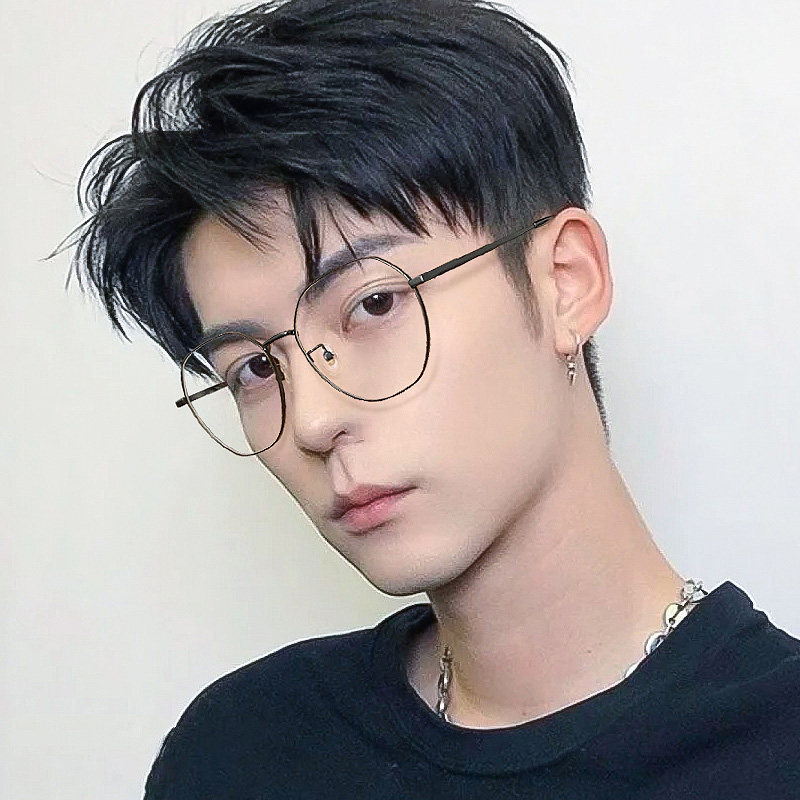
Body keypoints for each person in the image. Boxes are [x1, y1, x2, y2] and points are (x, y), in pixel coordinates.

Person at [59, 0, 800, 796]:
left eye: (373, 304)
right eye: (255, 370)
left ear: (566, 282)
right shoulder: (242, 751)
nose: (313, 420)